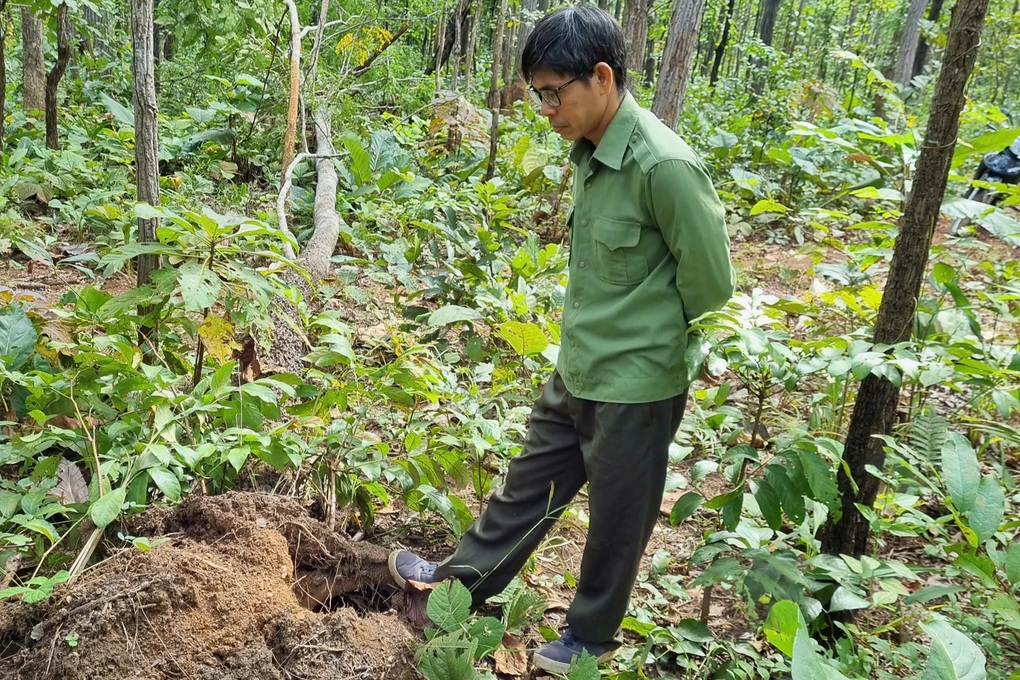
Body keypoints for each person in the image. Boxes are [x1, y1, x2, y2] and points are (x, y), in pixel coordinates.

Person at [389, 5, 735, 674]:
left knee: (616, 521)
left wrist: (654, 348)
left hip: (636, 384)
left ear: (601, 77)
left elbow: (712, 286)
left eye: (554, 92)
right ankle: (456, 585)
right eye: (537, 94)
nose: (545, 109)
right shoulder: (588, 153)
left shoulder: (665, 166)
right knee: (527, 488)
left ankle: (589, 636)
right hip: (577, 367)